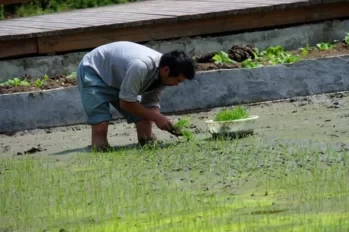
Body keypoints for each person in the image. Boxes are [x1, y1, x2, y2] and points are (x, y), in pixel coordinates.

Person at [76, 41, 196, 151]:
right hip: (94, 71)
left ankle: (147, 142)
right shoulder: (141, 66)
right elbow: (126, 103)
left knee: (145, 123)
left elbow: (151, 102)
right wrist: (157, 118)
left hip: (120, 77)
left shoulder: (165, 72)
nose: (176, 85)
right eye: (177, 80)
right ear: (166, 70)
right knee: (100, 125)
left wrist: (160, 119)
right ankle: (99, 150)